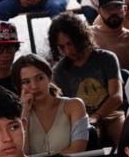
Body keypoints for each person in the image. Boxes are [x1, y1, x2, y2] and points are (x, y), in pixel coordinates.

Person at [48, 12, 123, 144]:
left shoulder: (107, 58)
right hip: (80, 122)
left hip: (112, 115)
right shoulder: (59, 72)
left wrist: (96, 117)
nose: (68, 51)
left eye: (70, 44)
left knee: (125, 138)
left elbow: (116, 97)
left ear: (81, 37)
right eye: (62, 47)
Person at [16, 54, 88, 157]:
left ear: (49, 78)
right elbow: (22, 155)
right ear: (19, 86)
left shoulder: (74, 105)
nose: (34, 86)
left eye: (39, 78)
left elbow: (78, 149)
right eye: (26, 82)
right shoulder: (18, 114)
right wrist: (24, 111)